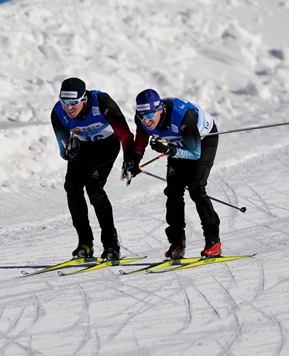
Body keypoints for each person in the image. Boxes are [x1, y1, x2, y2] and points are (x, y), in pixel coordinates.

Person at [121, 89, 221, 259]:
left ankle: (213, 241)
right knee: (173, 192)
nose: (146, 119)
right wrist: (134, 160)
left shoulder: (182, 117)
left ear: (160, 109)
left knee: (196, 188)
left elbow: (194, 154)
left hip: (202, 142)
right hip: (176, 143)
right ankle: (177, 244)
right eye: (142, 115)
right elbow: (141, 138)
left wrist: (170, 149)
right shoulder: (143, 119)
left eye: (150, 114)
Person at [51, 77, 134, 260]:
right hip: (83, 148)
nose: (68, 108)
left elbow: (125, 135)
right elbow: (63, 150)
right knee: (72, 188)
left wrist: (130, 159)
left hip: (107, 146)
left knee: (94, 187)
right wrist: (68, 152)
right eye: (64, 102)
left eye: (73, 103)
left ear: (84, 99)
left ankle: (111, 243)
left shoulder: (102, 102)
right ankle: (85, 242)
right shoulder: (58, 112)